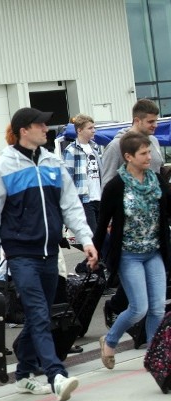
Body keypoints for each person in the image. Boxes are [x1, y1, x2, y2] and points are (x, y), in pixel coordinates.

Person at [0, 107, 98, 401]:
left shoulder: (53, 162)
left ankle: (24, 370)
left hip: (50, 252)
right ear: (23, 130)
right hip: (21, 255)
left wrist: (86, 240)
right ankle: (56, 374)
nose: (46, 128)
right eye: (40, 124)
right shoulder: (3, 167)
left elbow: (70, 205)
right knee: (40, 313)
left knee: (39, 315)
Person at [94, 131, 170, 369]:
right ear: (128, 156)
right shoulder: (116, 186)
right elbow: (102, 221)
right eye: (144, 153)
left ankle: (154, 357)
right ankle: (110, 340)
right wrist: (94, 252)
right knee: (139, 307)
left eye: (150, 151)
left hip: (154, 251)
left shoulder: (157, 180)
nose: (150, 157)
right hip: (128, 254)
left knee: (158, 307)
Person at [102, 99, 163, 320]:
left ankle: (147, 323)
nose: (155, 125)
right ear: (137, 120)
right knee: (138, 275)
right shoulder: (116, 146)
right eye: (151, 121)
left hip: (155, 217)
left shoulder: (153, 141)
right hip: (130, 221)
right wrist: (109, 220)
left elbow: (158, 173)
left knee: (156, 273)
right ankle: (117, 306)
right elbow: (108, 183)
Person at [63, 114, 103, 234]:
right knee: (93, 237)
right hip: (85, 200)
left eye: (94, 127)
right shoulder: (71, 151)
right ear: (79, 130)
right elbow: (67, 179)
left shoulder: (95, 148)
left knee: (102, 236)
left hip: (99, 198)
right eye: (90, 128)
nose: (93, 130)